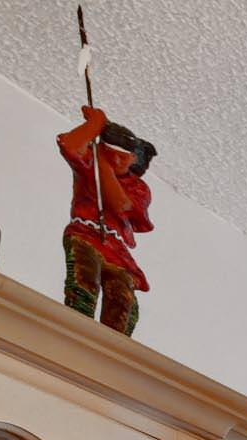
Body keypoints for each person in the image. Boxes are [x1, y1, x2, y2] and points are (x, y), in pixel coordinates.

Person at [58, 106, 154, 336]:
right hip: (85, 235)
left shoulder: (138, 188)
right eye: (111, 155)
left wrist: (102, 163)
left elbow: (121, 205)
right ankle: (75, 333)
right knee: (84, 283)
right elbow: (69, 145)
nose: (118, 162)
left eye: (123, 157)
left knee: (122, 300)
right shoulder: (88, 164)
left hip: (116, 249)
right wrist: (95, 124)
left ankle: (110, 347)